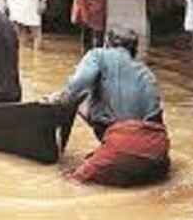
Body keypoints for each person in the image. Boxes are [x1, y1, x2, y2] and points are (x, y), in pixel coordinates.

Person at [46, 28, 170, 187]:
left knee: (68, 182)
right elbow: (155, 122)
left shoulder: (98, 55)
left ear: (107, 43)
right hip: (157, 153)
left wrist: (61, 99)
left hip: (122, 144)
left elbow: (79, 84)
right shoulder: (146, 73)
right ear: (135, 50)